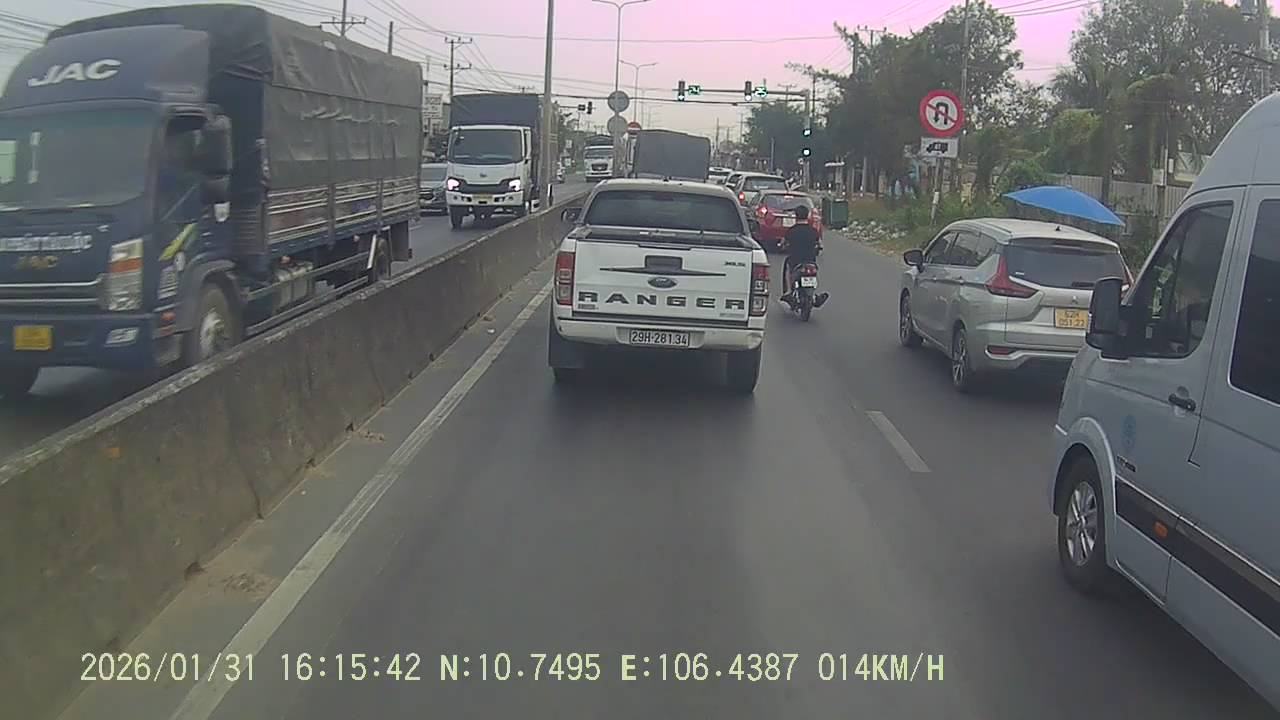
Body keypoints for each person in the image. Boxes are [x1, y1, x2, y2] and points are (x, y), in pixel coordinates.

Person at [778, 204, 829, 307]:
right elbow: (820, 244)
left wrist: (782, 246)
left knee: (788, 267)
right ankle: (814, 296)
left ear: (796, 216)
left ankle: (788, 291)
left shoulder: (791, 231)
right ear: (807, 216)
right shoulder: (813, 231)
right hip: (810, 261)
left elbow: (783, 243)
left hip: (795, 261)